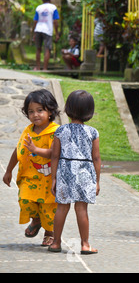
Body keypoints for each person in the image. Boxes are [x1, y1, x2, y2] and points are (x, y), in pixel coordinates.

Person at [2, 89, 60, 247]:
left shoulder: (55, 132)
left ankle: (50, 233)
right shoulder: (28, 131)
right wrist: (8, 170)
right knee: (25, 200)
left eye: (40, 110)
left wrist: (36, 150)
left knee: (49, 208)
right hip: (30, 176)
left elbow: (55, 154)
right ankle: (36, 219)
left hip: (49, 179)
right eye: (31, 111)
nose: (35, 115)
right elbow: (19, 149)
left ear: (50, 110)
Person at [48, 90, 101, 254]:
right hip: (84, 173)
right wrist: (97, 181)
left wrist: (54, 178)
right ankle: (85, 244)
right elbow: (96, 159)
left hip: (65, 171)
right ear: (89, 111)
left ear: (68, 108)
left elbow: (55, 156)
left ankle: (56, 243)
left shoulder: (60, 131)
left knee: (62, 208)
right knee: (82, 209)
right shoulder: (92, 132)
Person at [32, 0, 60, 71]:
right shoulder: (53, 8)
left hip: (38, 29)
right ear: (50, 0)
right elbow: (55, 21)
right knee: (47, 49)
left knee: (38, 49)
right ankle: (45, 68)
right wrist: (57, 33)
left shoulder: (39, 8)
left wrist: (33, 33)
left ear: (42, 0)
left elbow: (35, 21)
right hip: (48, 30)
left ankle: (37, 67)